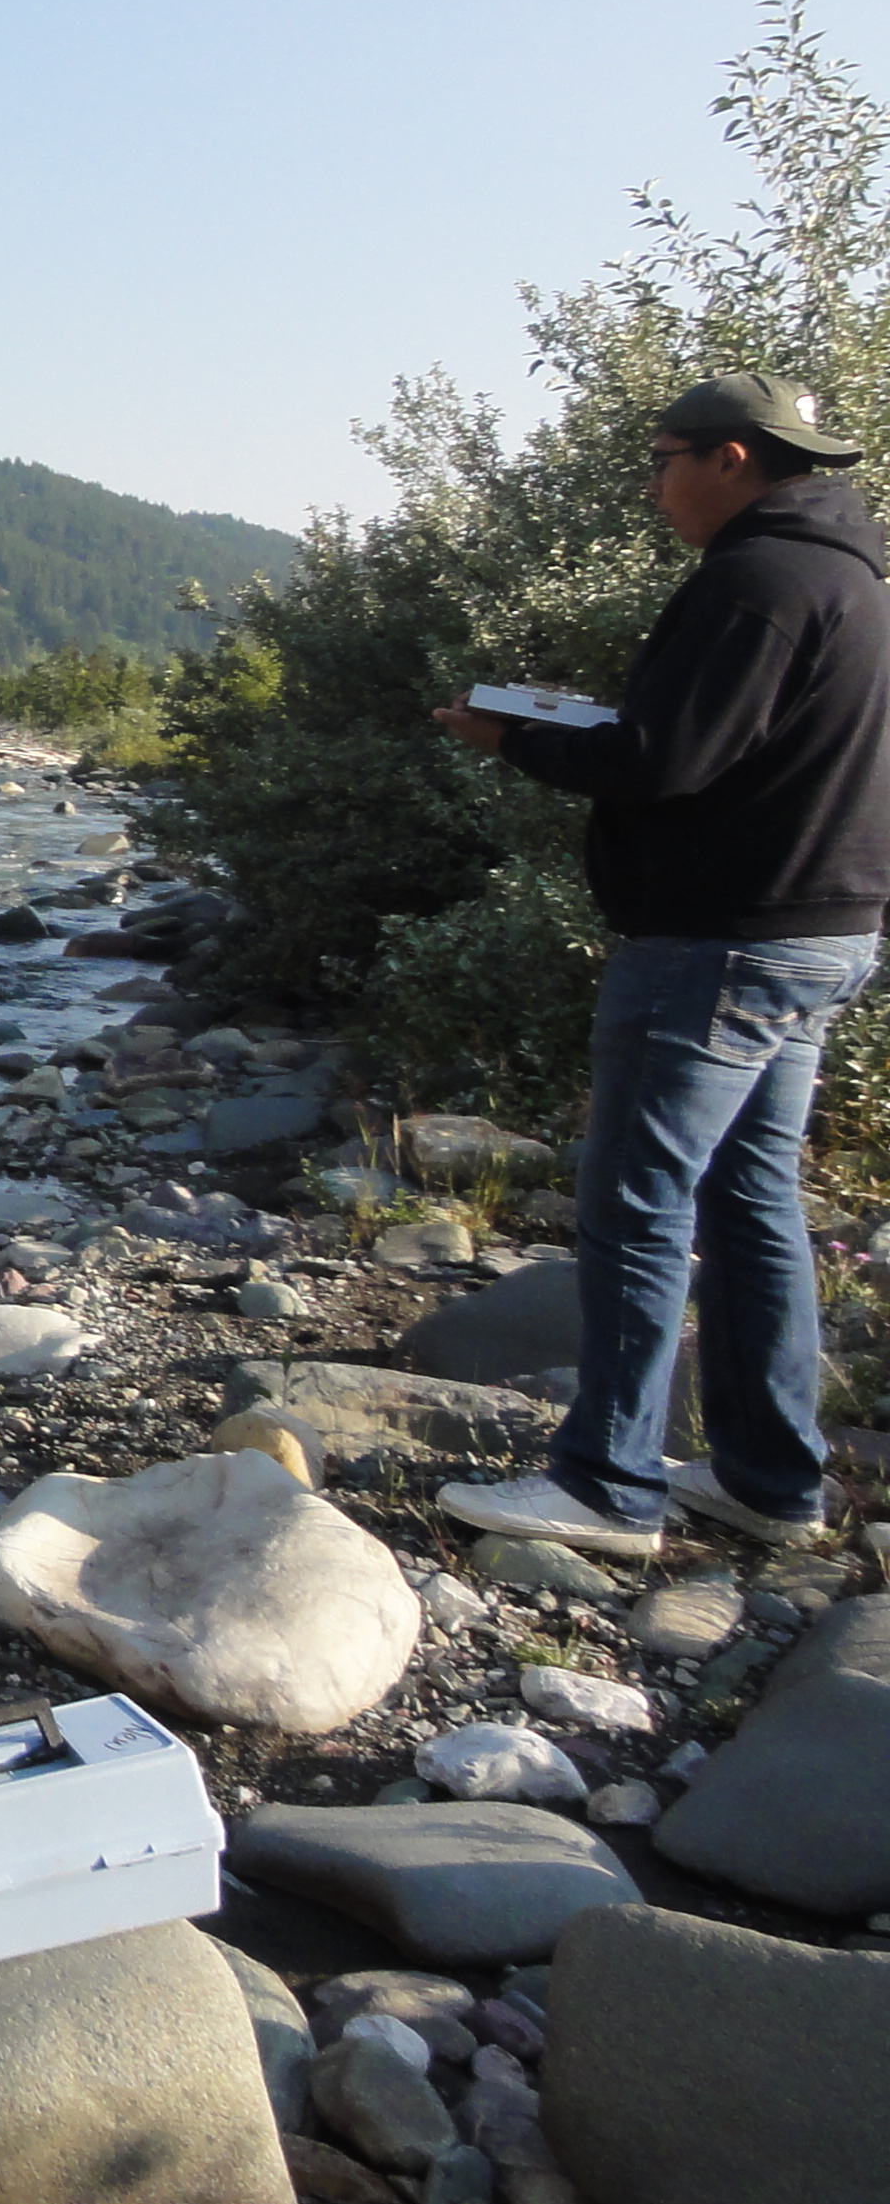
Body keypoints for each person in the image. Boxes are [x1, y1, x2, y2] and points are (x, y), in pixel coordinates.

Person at [429, 369, 886, 1558]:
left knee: (637, 1199)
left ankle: (606, 1485)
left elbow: (665, 764)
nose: (653, 483)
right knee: (753, 1204)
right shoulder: (852, 578)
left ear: (734, 457)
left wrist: (518, 732)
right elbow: (732, 749)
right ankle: (770, 1482)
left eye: (665, 455)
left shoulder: (755, 583)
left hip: (718, 943)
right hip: (821, 933)